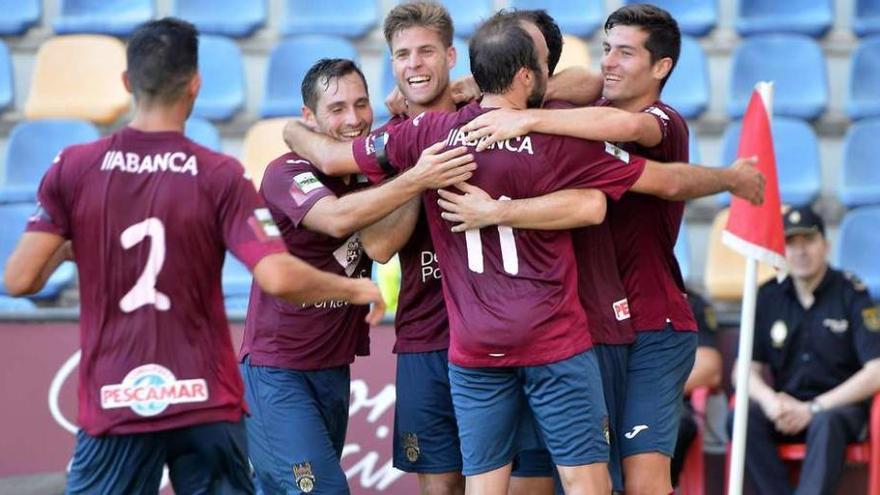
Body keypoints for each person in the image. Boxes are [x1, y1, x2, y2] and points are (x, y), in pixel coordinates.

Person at [2, 18, 385, 495]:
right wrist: (354, 288)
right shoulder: (219, 174)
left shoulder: (75, 167)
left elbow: (19, 280)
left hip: (117, 391)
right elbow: (278, 275)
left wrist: (83, 248)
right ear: (196, 85)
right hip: (203, 395)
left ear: (126, 84)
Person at [452, 5, 709, 493]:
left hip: (652, 319)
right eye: (607, 49)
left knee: (639, 480)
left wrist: (526, 120)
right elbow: (579, 82)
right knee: (551, 476)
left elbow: (638, 171)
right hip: (573, 326)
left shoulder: (645, 120)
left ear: (662, 67)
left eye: (624, 52)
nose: (608, 62)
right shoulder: (560, 114)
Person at [239, 57, 474, 494]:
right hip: (277, 372)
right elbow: (335, 219)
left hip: (332, 369)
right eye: (337, 108)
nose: (354, 119)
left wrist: (414, 128)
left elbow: (379, 247)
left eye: (361, 104)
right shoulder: (285, 171)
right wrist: (417, 176)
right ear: (309, 118)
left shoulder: (372, 169)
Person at [733, 205, 880, 495]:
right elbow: (744, 370)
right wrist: (771, 401)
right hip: (785, 408)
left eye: (808, 241)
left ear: (825, 245)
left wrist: (814, 408)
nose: (800, 251)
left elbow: (876, 371)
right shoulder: (768, 296)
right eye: (791, 243)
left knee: (826, 423)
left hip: (837, 408)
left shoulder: (852, 293)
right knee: (739, 418)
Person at [670, 290, 722, 488]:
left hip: (671, 402)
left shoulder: (690, 302)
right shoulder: (606, 295)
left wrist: (655, 392)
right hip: (613, 401)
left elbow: (711, 370)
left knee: (672, 423)